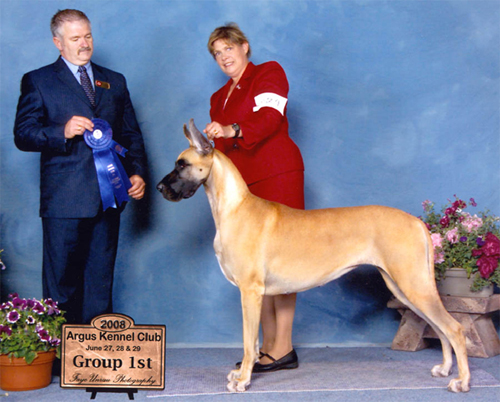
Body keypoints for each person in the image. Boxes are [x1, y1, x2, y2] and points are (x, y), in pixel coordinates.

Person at [14, 9, 147, 324]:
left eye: (87, 36)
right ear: (58, 43)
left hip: (109, 196)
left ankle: (96, 348)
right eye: (75, 38)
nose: (84, 43)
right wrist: (61, 131)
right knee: (61, 284)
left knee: (100, 282)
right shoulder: (38, 80)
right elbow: (23, 135)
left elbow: (131, 134)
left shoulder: (114, 81)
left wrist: (136, 172)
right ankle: (59, 348)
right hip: (64, 199)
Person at [204, 23, 305, 372]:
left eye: (228, 49)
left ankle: (284, 346)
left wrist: (231, 129)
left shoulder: (268, 73)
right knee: (254, 268)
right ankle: (268, 346)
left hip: (277, 175)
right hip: (242, 189)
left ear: (244, 46)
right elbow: (220, 153)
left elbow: (270, 118)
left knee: (285, 260)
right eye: (217, 53)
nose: (224, 57)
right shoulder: (218, 98)